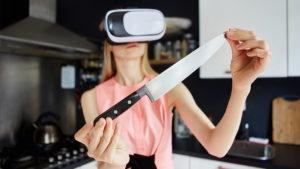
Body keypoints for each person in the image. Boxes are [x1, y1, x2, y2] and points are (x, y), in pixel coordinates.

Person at [74, 19, 271, 168]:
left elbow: (216, 146)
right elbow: (103, 165)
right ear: (109, 44)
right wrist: (115, 160)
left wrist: (241, 87)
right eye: (122, 32)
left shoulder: (169, 87)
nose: (132, 38)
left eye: (137, 31)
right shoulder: (91, 97)